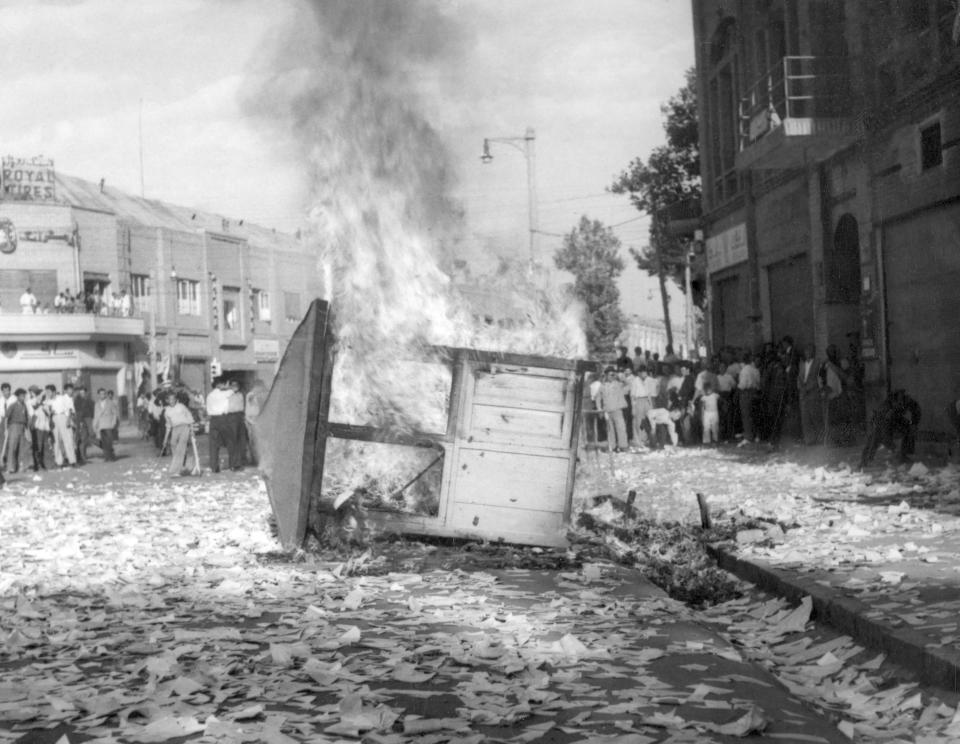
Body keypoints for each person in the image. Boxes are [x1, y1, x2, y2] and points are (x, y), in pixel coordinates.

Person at [859, 389, 921, 469]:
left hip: (896, 420)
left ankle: (904, 455)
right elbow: (885, 436)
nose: (900, 404)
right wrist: (893, 448)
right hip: (881, 424)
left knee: (909, 428)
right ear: (893, 402)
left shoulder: (907, 401)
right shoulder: (885, 409)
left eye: (901, 402)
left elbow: (916, 410)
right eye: (898, 403)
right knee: (874, 438)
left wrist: (914, 424)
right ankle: (865, 460)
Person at [597, 367, 630, 453]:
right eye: (610, 374)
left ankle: (623, 446)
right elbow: (598, 398)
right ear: (606, 375)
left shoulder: (618, 384)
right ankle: (613, 446)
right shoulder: (602, 386)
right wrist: (599, 409)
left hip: (617, 410)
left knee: (621, 428)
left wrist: (620, 376)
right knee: (610, 429)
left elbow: (628, 384)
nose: (612, 376)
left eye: (613, 374)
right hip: (607, 411)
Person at [206, 377, 235, 473]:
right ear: (219, 384)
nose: (225, 386)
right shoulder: (225, 393)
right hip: (224, 419)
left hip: (213, 420)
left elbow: (208, 410)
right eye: (224, 384)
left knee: (213, 444)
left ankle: (214, 467)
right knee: (230, 442)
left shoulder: (209, 396)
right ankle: (233, 465)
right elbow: (233, 390)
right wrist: (228, 387)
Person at [797, 345, 824, 446]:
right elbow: (799, 378)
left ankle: (821, 439)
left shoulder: (817, 362)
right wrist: (801, 388)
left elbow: (818, 377)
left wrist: (809, 388)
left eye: (810, 351)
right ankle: (809, 440)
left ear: (813, 352)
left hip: (813, 392)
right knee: (805, 417)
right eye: (806, 351)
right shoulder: (802, 364)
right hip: (803, 394)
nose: (808, 353)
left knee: (816, 416)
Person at [164, 390, 195, 475]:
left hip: (184, 427)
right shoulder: (167, 411)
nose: (172, 401)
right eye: (170, 399)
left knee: (181, 446)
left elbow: (189, 416)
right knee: (173, 444)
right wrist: (165, 439)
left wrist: (192, 430)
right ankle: (181, 465)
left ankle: (177, 468)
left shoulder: (181, 406)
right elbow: (168, 425)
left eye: (173, 399)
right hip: (175, 429)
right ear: (167, 400)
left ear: (176, 399)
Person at [48, 384, 78, 468]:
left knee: (68, 440)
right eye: (47, 392)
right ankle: (59, 462)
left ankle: (72, 461)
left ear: (54, 392)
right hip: (54, 419)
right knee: (56, 441)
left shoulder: (62, 398)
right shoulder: (48, 401)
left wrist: (68, 419)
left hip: (63, 417)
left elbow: (70, 409)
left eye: (49, 392)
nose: (48, 394)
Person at [737, 352, 761, 446]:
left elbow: (742, 385)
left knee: (746, 416)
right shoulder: (756, 370)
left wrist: (738, 390)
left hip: (746, 393)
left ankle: (748, 437)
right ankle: (756, 436)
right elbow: (759, 383)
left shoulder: (744, 370)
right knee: (754, 415)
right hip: (755, 392)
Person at [4, 388, 29, 473]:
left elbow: (26, 418)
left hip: (22, 427)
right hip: (13, 426)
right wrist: (6, 429)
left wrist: (26, 429)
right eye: (21, 396)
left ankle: (19, 467)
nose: (23, 397)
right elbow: (6, 417)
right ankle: (10, 467)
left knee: (21, 447)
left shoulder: (24, 405)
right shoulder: (13, 405)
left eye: (24, 396)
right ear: (17, 396)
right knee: (12, 448)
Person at [92, 388, 119, 461]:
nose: (102, 395)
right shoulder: (97, 404)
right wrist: (94, 425)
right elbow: (96, 415)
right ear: (98, 395)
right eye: (101, 394)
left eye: (104, 393)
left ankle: (111, 457)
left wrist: (114, 422)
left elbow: (114, 413)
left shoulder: (110, 402)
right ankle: (107, 457)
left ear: (105, 394)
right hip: (101, 425)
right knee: (103, 442)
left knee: (109, 441)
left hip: (108, 424)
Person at [244, 379, 267, 466]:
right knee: (257, 441)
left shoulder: (253, 394)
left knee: (254, 441)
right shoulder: (252, 395)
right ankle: (257, 460)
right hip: (254, 420)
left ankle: (256, 460)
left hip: (254, 420)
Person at [28, 386, 51, 471]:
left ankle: (43, 463)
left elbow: (48, 414)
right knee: (37, 446)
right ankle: (37, 465)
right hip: (37, 427)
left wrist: (45, 408)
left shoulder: (45, 404)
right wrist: (39, 400)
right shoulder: (32, 402)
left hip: (45, 427)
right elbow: (33, 408)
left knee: (44, 446)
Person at [630, 366, 653, 447]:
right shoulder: (635, 381)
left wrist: (650, 404)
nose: (644, 374)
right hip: (638, 400)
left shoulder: (648, 380)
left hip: (646, 400)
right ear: (639, 373)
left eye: (645, 372)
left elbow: (649, 393)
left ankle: (646, 439)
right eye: (643, 372)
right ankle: (639, 440)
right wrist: (633, 407)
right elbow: (632, 395)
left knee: (648, 420)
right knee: (639, 421)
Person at [226, 379, 246, 469]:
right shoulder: (227, 395)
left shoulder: (241, 394)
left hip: (240, 417)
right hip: (231, 417)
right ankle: (232, 464)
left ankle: (239, 463)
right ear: (230, 386)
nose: (235, 386)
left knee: (241, 441)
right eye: (233, 385)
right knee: (232, 441)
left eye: (236, 385)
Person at [73, 386, 95, 464]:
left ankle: (83, 456)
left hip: (87, 420)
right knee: (81, 439)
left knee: (85, 439)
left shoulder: (89, 401)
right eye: (81, 393)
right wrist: (80, 422)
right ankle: (81, 457)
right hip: (80, 422)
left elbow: (92, 411)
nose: (82, 394)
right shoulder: (77, 401)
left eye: (83, 393)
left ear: (86, 393)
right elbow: (77, 412)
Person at [701, 381, 720, 446]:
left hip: (714, 412)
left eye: (709, 388)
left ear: (711, 388)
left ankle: (715, 440)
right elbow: (702, 407)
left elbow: (721, 401)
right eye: (706, 389)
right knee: (706, 427)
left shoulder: (715, 395)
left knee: (715, 427)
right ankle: (706, 441)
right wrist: (702, 415)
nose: (708, 390)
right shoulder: (704, 397)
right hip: (707, 413)